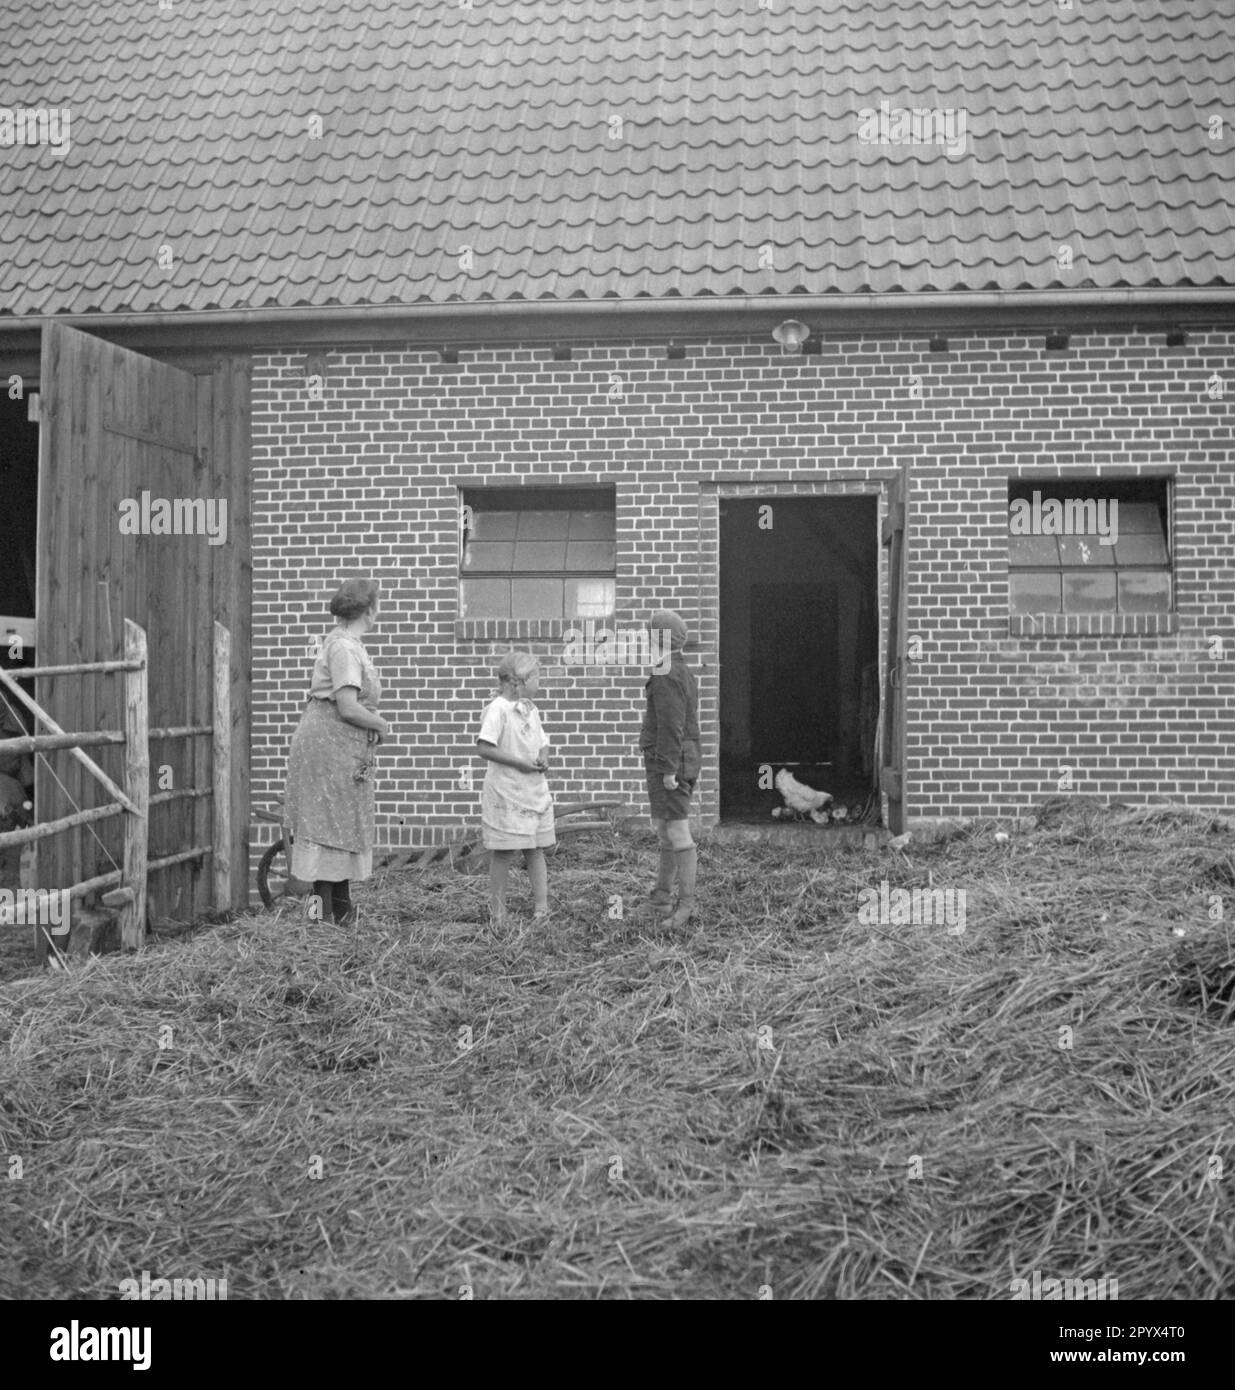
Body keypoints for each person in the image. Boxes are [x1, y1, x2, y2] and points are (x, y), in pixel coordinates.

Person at [284, 578, 391, 925]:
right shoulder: (344, 647)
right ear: (369, 609)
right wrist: (380, 724)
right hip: (326, 747)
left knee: (338, 828)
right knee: (325, 828)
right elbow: (346, 706)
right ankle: (318, 918)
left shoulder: (348, 643)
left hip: (339, 746)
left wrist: (369, 724)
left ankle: (342, 909)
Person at [476, 651, 554, 925]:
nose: (540, 682)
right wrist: (519, 763)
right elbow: (484, 747)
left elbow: (542, 740)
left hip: (533, 790)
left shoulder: (531, 709)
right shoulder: (497, 709)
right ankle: (498, 913)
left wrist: (543, 756)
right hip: (507, 792)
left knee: (536, 848)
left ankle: (542, 909)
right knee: (504, 851)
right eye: (536, 677)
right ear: (517, 682)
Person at [640, 609, 700, 929]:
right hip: (674, 759)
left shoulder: (666, 672)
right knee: (665, 829)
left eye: (651, 633)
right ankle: (661, 898)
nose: (648, 638)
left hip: (671, 762)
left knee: (677, 830)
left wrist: (667, 770)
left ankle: (685, 906)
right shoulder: (678, 669)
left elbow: (672, 726)